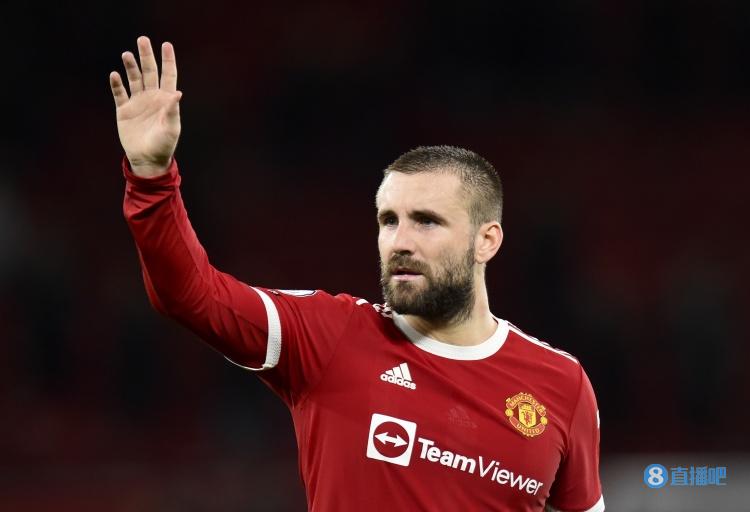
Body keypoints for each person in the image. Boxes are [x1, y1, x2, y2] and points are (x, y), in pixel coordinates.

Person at [109, 35, 604, 512]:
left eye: (426, 221)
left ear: (486, 240)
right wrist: (152, 178)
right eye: (389, 221)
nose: (400, 241)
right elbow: (190, 295)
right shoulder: (331, 337)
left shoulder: (562, 385)